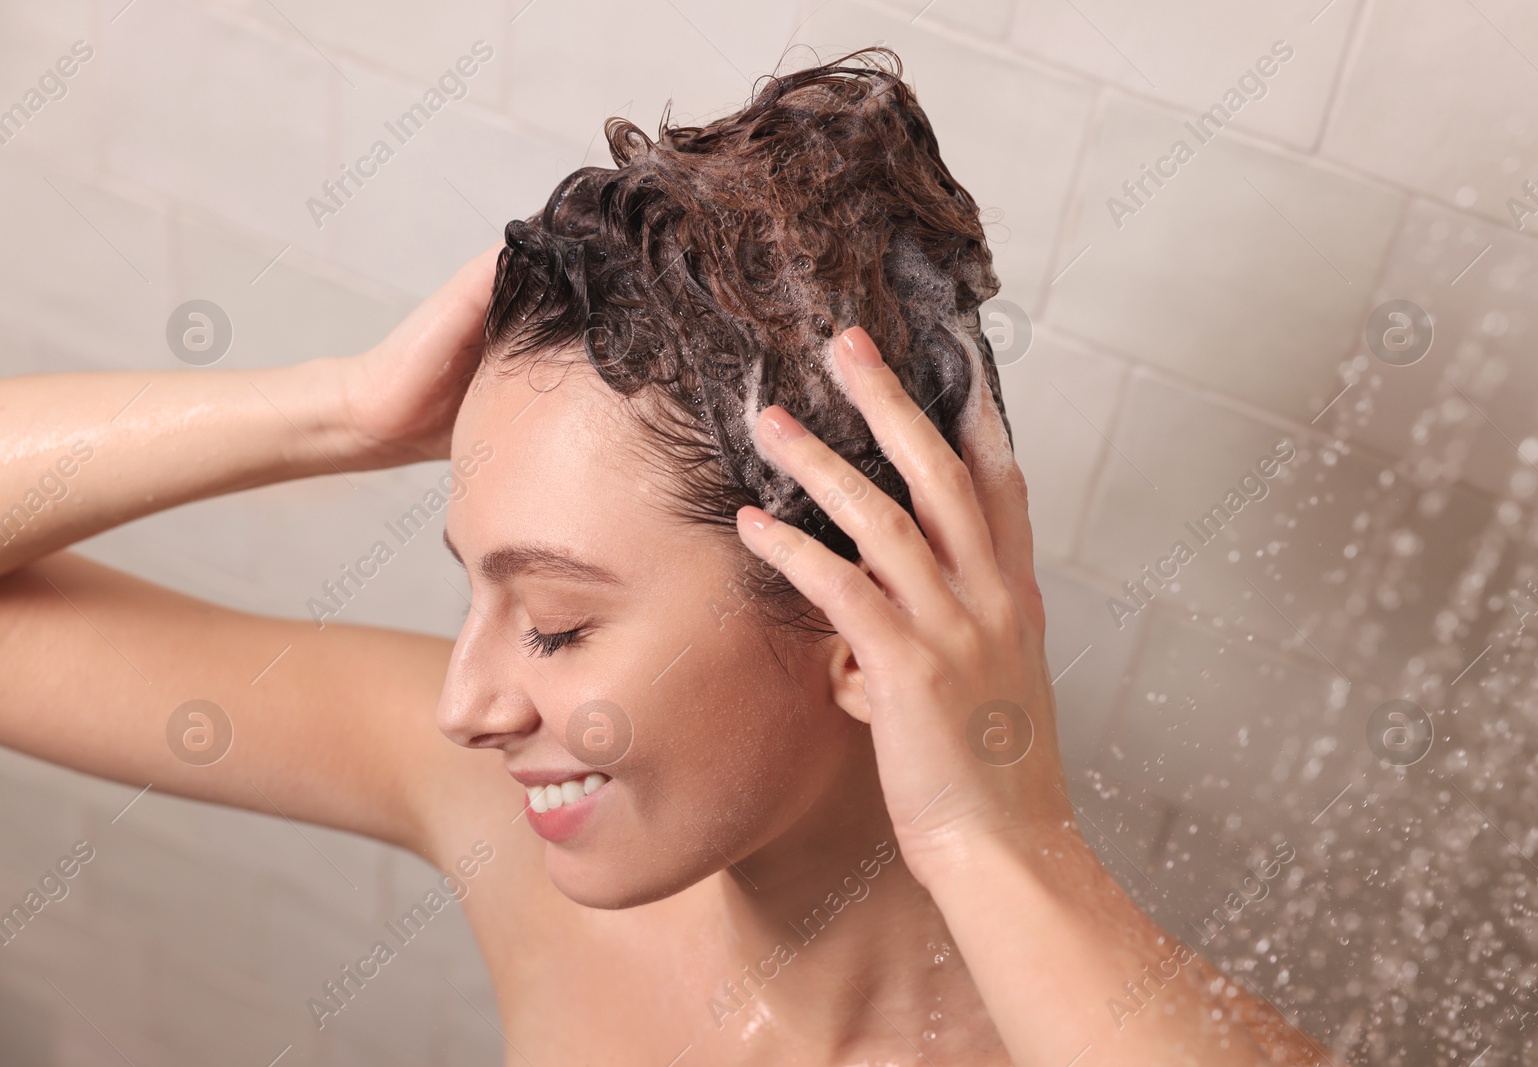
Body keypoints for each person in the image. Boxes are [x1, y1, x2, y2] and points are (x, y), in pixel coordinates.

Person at [0, 50, 1333, 1065]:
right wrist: (334, 408)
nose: (466, 709)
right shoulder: (525, 833)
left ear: (857, 626)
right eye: (478, 592)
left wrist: (999, 838)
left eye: (562, 628)